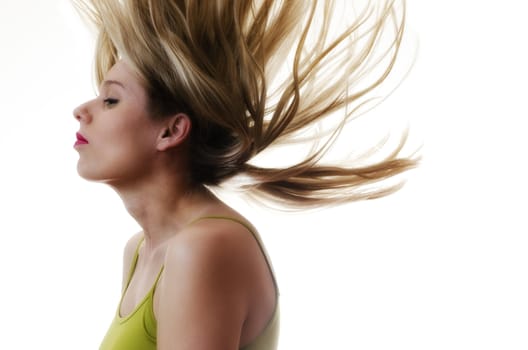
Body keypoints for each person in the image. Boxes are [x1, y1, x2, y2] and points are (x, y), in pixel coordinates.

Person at [72, 0, 418, 349]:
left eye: (111, 100)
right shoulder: (140, 252)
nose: (81, 111)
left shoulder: (204, 247)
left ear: (171, 131)